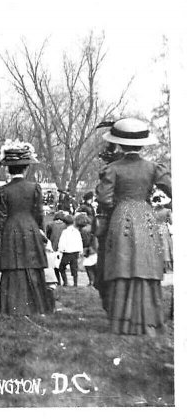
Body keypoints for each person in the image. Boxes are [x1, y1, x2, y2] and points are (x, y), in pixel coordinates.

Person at [97, 118, 171, 336]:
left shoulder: (113, 168)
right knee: (145, 265)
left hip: (122, 217)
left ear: (119, 144)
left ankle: (122, 321)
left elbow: (103, 198)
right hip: (146, 216)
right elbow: (172, 188)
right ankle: (149, 321)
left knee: (123, 265)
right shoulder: (152, 168)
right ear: (143, 144)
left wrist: (117, 203)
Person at [0, 141, 53, 315]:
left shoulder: (3, 190)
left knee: (13, 266)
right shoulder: (34, 188)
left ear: (8, 170)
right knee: (31, 265)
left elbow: (1, 219)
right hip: (30, 229)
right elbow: (39, 215)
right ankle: (36, 305)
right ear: (26, 169)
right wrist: (43, 235)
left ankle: (12, 305)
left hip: (11, 230)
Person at [56, 214, 83, 287]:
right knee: (74, 268)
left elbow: (62, 242)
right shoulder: (76, 231)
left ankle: (65, 282)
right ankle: (75, 283)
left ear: (65, 223)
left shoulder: (65, 232)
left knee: (61, 267)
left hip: (67, 252)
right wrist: (80, 250)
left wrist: (60, 250)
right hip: (75, 252)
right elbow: (80, 241)